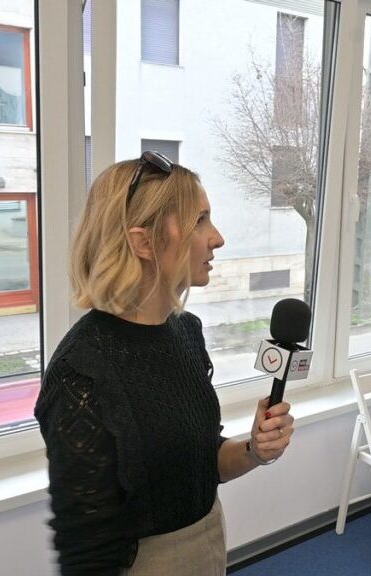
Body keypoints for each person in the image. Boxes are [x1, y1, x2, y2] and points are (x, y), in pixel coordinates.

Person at [34, 151, 295, 575]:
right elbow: (86, 553)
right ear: (144, 242)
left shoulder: (185, 332)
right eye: (199, 221)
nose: (217, 238)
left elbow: (200, 465)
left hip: (208, 546)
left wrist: (253, 449)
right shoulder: (81, 374)